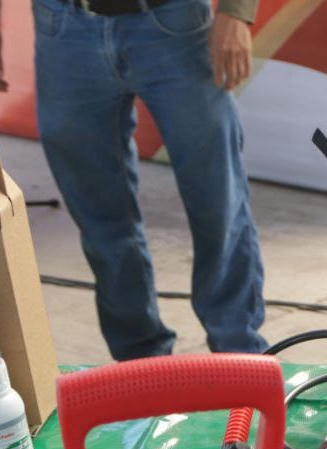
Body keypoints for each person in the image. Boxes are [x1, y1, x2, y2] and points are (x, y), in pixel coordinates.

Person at [33, 0, 266, 360]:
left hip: (173, 22)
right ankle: (140, 360)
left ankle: (240, 352)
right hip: (62, 28)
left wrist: (236, 12)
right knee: (99, 219)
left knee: (218, 201)